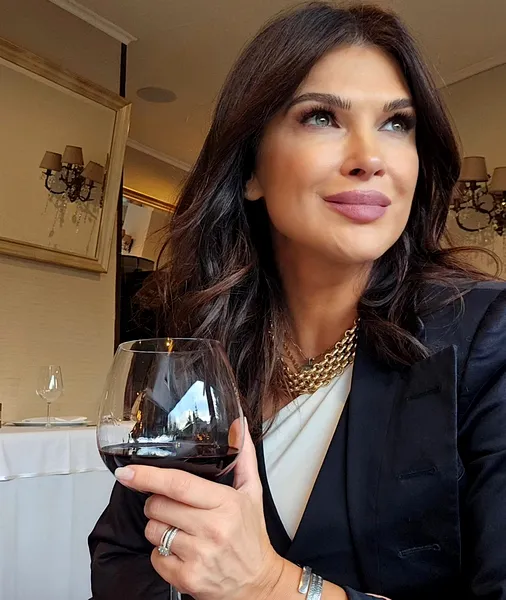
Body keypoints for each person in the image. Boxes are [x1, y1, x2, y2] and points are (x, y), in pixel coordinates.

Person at [89, 3, 506, 599]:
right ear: (251, 169)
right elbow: (122, 555)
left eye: (396, 124)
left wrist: (269, 585)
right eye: (321, 117)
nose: (370, 158)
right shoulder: (205, 352)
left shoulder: (486, 336)